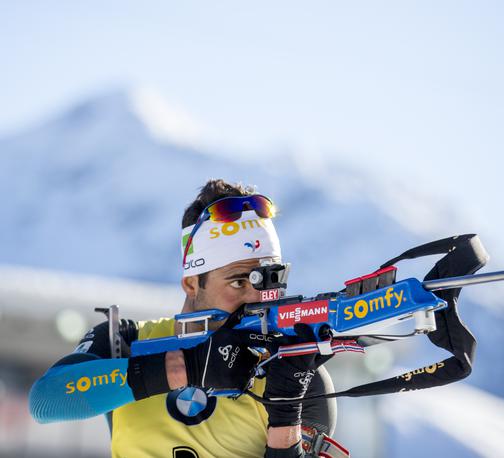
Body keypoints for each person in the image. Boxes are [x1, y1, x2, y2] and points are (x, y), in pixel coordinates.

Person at [29, 179, 343, 458]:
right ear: (192, 283)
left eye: (269, 280)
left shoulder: (295, 373)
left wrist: (286, 413)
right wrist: (182, 369)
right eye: (238, 282)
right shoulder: (129, 341)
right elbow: (46, 401)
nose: (255, 297)